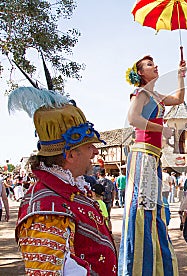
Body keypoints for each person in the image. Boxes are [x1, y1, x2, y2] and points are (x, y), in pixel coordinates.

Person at [9, 87, 117, 275]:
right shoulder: (46, 208)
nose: (96, 151)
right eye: (89, 146)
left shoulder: (68, 191)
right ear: (70, 154)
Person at [119, 55, 186, 276]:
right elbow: (132, 118)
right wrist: (162, 130)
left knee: (153, 209)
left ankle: (155, 265)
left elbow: (178, 99)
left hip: (153, 157)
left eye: (154, 63)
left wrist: (180, 76)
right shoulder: (140, 93)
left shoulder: (156, 95)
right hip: (142, 154)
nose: (155, 66)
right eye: (149, 64)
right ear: (140, 73)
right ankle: (137, 267)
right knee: (142, 208)